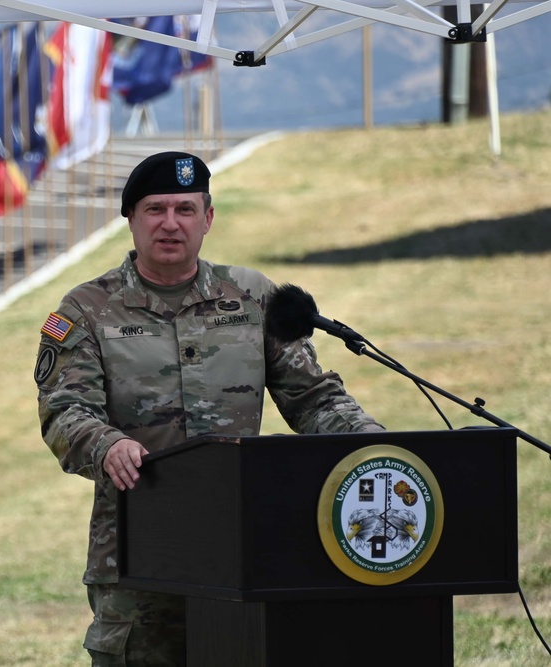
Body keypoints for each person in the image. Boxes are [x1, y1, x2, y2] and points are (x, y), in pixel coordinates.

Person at [34, 151, 384, 666]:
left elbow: (313, 399)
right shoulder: (85, 310)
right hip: (138, 554)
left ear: (208, 219)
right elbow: (64, 410)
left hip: (246, 546)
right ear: (130, 219)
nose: (170, 224)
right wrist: (107, 446)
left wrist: (373, 444)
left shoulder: (252, 297)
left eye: (185, 209)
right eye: (155, 209)